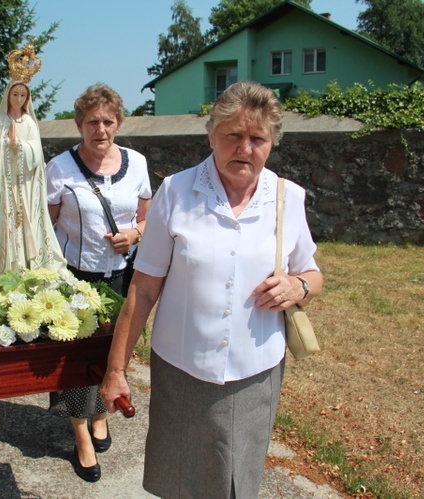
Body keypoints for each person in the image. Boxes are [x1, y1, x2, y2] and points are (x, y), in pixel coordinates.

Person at [100, 81, 323, 498]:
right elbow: (143, 290)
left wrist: (299, 286)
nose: (245, 148)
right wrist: (116, 371)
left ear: (272, 142)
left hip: (256, 372)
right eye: (233, 136)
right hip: (183, 370)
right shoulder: (176, 192)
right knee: (180, 482)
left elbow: (311, 272)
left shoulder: (287, 197)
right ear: (211, 135)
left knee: (238, 485)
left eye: (258, 138)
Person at [46, 83, 152, 482]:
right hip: (75, 278)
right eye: (92, 121)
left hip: (123, 276)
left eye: (108, 121)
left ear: (119, 123)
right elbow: (47, 225)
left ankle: (100, 413)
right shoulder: (60, 168)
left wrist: (135, 234)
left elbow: (147, 216)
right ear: (79, 125)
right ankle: (80, 434)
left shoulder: (137, 163)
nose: (101, 129)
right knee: (75, 359)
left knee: (115, 351)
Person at [0, 77, 65, 285]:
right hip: (3, 187)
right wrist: (5, 145)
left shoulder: (28, 123)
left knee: (25, 225)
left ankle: (26, 267)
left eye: (23, 95)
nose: (19, 99)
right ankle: (0, 268)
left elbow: (36, 157)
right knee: (3, 226)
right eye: (15, 94)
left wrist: (18, 146)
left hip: (24, 188)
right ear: (7, 96)